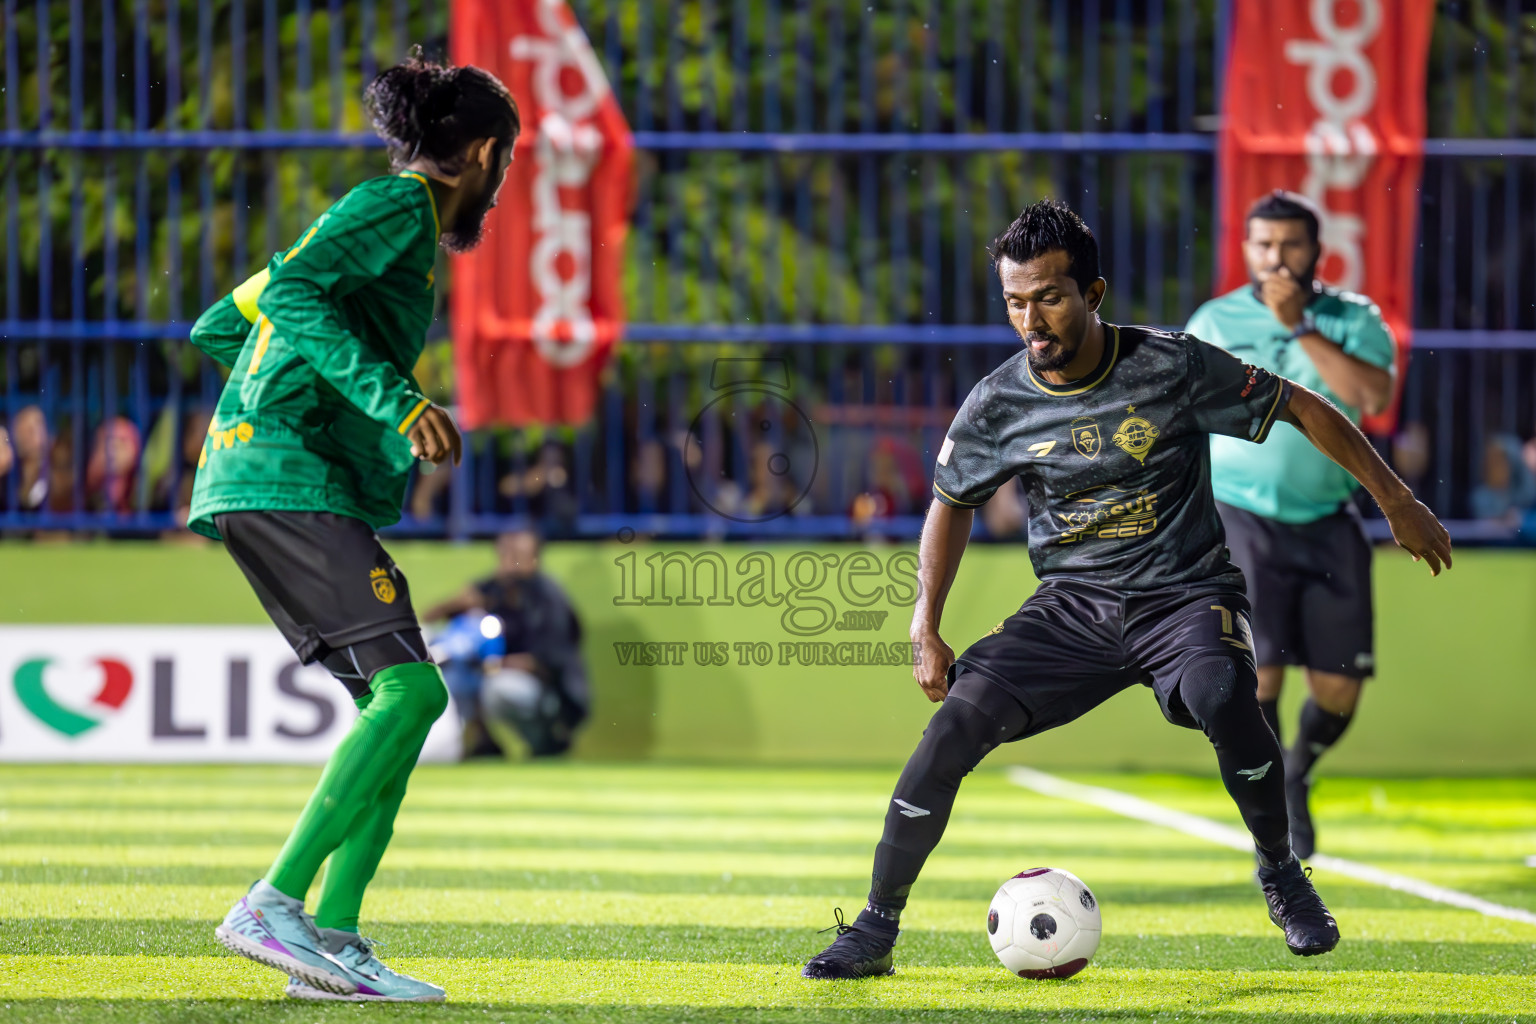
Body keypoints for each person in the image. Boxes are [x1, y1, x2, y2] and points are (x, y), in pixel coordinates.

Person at [802, 200, 1451, 980]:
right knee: (949, 734)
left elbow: (1301, 406)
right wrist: (924, 624)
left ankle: (1281, 872)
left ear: (1093, 292)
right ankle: (874, 929)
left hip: (1183, 595)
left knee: (1222, 694)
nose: (1031, 319)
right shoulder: (998, 400)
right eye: (1015, 301)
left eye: (1049, 296)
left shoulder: (1171, 364)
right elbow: (952, 502)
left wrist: (1397, 501)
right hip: (1072, 611)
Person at [185, 54, 519, 1002]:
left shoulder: (391, 228)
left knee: (407, 702)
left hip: (284, 475)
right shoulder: (400, 207)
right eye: (504, 167)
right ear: (485, 156)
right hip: (288, 482)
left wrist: (273, 409)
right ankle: (274, 903)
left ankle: (332, 939)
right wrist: (388, 399)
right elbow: (288, 298)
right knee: (413, 696)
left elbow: (226, 321)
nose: (498, 188)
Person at [1187, 190, 1398, 860]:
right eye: (1263, 244)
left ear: (1317, 250)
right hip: (1242, 516)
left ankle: (1299, 769)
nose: (1276, 257)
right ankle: (1274, 808)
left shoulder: (1353, 317)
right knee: (1264, 673)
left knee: (1338, 691)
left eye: (1291, 244)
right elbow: (1185, 409)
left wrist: (1301, 326)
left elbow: (1372, 398)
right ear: (1246, 248)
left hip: (1330, 520)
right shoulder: (1216, 320)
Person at [422, 528, 589, 758]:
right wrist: (456, 604)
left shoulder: (548, 597)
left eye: (517, 555)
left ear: (534, 559)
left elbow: (549, 661)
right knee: (452, 672)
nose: (509, 561)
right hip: (494, 675)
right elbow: (429, 617)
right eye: (504, 554)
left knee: (500, 688)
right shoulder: (491, 588)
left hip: (551, 693)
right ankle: (482, 742)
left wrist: (494, 666)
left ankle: (546, 741)